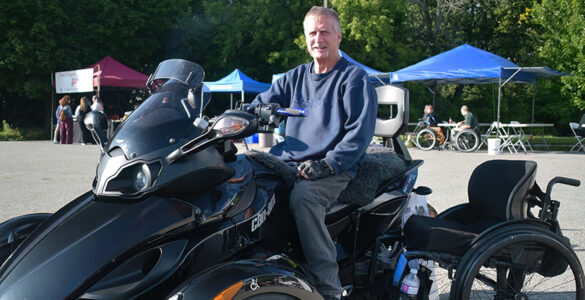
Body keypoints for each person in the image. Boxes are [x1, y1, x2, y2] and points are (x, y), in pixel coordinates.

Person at [250, 6, 377, 300]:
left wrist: (328, 164)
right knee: (241, 176)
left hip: (335, 166)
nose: (318, 38)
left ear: (338, 37)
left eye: (324, 32)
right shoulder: (292, 78)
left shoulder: (354, 79)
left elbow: (358, 136)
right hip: (288, 161)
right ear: (305, 38)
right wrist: (230, 119)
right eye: (312, 33)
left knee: (304, 198)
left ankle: (328, 288)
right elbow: (257, 105)